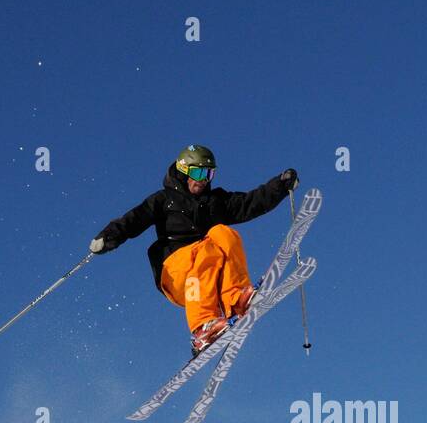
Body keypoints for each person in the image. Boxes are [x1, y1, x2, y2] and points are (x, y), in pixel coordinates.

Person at [89, 144, 298, 355]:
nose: (203, 179)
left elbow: (251, 202)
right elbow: (134, 219)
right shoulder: (163, 200)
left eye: (209, 174)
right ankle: (202, 328)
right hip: (176, 272)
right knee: (205, 252)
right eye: (198, 172)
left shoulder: (216, 201)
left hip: (205, 274)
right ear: (184, 170)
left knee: (224, 233)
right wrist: (108, 237)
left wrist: (280, 186)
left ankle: (237, 300)